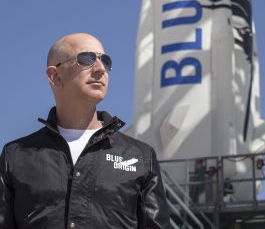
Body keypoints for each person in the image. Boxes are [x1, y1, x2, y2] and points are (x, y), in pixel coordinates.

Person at [0, 33, 170, 229]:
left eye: (105, 61)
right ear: (55, 76)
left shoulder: (140, 157)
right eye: (87, 59)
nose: (99, 69)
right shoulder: (15, 157)